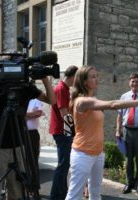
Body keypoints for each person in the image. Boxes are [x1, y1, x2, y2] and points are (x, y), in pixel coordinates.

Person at [65, 66, 138, 200]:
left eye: (97, 75)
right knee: (74, 194)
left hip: (98, 153)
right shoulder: (82, 101)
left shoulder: (94, 99)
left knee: (95, 192)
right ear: (84, 82)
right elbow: (113, 104)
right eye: (93, 76)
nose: (97, 78)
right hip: (83, 153)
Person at [0, 72, 55, 200]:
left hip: (17, 146)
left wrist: (45, 78)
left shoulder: (25, 88)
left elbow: (51, 100)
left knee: (17, 193)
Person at [49, 65, 78, 200]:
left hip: (61, 130)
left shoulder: (64, 88)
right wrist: (72, 132)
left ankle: (63, 192)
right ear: (72, 76)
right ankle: (55, 196)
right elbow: (64, 112)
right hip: (62, 131)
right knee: (63, 164)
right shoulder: (61, 89)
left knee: (65, 163)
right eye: (77, 78)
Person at [26, 98, 44, 189]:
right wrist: (30, 114)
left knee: (32, 160)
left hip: (32, 134)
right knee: (22, 160)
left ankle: (33, 186)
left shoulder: (35, 100)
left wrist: (23, 115)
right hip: (21, 132)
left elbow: (38, 113)